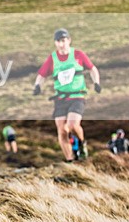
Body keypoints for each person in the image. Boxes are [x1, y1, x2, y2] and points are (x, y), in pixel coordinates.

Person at [32, 29, 101, 163]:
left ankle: (82, 143)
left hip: (77, 96)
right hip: (60, 98)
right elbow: (41, 74)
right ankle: (70, 160)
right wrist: (37, 86)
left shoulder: (78, 55)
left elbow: (92, 69)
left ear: (69, 40)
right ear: (55, 43)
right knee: (62, 129)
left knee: (72, 124)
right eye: (58, 41)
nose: (61, 44)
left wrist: (96, 82)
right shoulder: (52, 58)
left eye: (63, 41)